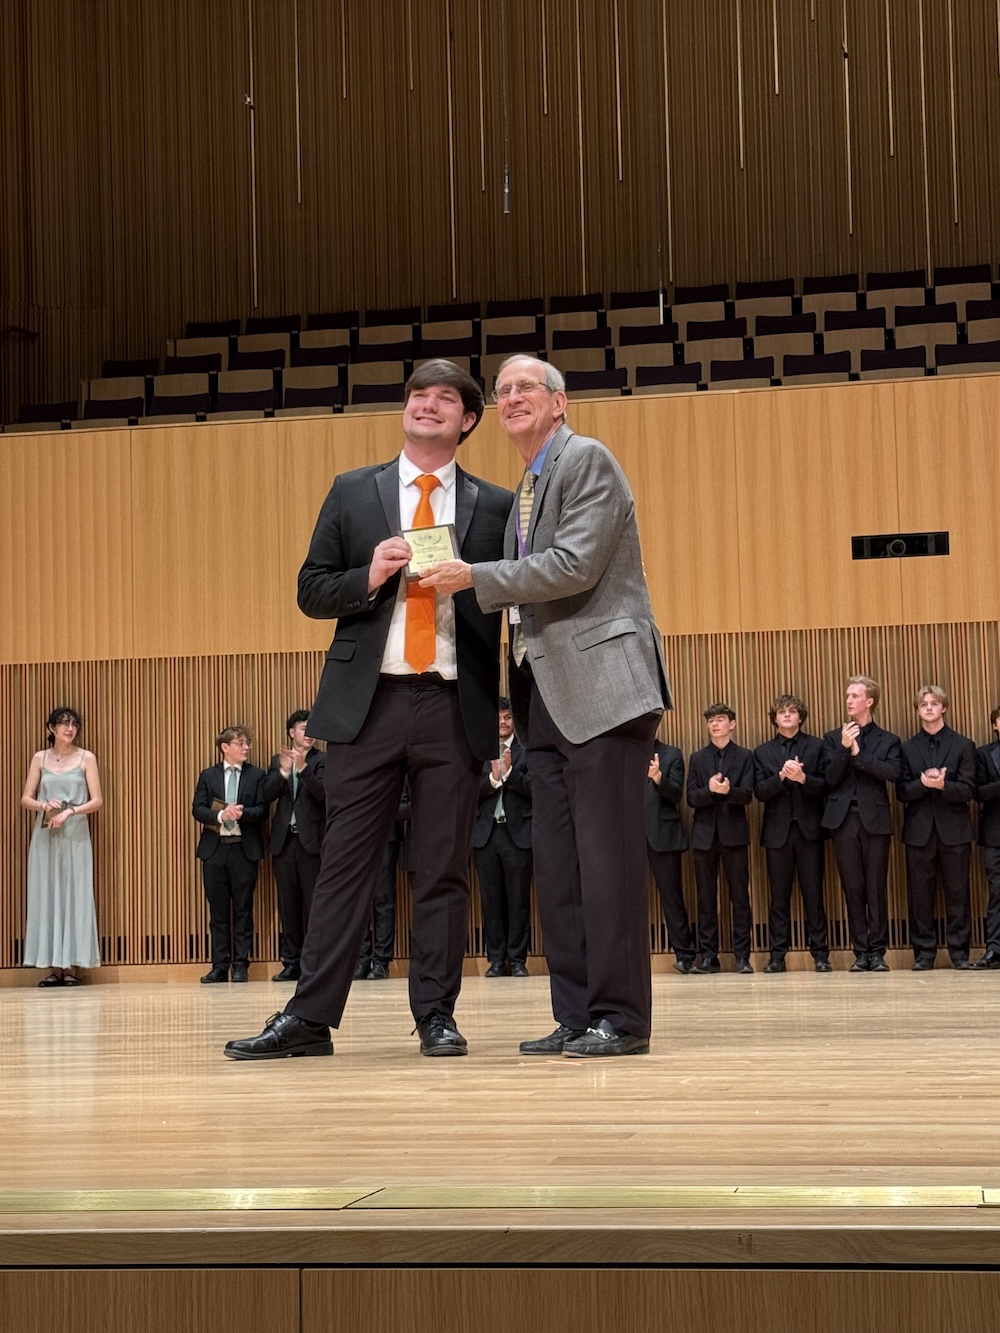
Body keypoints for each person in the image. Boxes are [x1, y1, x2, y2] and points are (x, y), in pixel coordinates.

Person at [225, 359, 511, 1061]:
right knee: (344, 866)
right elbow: (312, 589)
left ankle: (436, 1016)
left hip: (453, 702)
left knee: (442, 867)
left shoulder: (497, 505)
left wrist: (470, 581)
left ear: (468, 420)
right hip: (367, 705)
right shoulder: (354, 492)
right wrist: (370, 576)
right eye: (419, 394)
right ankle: (310, 1017)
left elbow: (515, 594)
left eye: (446, 398)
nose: (429, 405)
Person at [421, 355, 669, 1058]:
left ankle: (620, 1017)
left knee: (607, 860)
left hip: (603, 689)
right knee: (559, 865)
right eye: (501, 392)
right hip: (545, 696)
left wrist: (474, 577)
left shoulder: (588, 460)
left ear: (560, 401)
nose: (510, 398)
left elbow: (574, 565)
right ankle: (575, 1012)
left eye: (525, 387)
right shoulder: (529, 482)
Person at [821, 675, 903, 972]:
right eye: (847, 695)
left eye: (855, 695)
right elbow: (829, 778)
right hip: (843, 821)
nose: (849, 700)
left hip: (875, 819)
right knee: (852, 886)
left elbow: (892, 773)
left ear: (869, 701)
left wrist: (859, 754)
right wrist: (844, 748)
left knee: (876, 885)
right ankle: (860, 952)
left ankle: (878, 951)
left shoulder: (888, 740)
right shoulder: (832, 738)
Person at [20, 707, 103, 986]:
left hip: (75, 833)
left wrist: (70, 811)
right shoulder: (39, 758)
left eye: (74, 725)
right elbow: (25, 799)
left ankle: (72, 968)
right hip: (45, 834)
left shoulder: (86, 757)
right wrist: (45, 805)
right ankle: (54, 966)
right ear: (52, 728)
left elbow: (97, 801)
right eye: (64, 724)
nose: (70, 729)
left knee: (74, 894)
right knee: (48, 893)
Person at [896, 686, 976, 970]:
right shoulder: (906, 747)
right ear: (917, 710)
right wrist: (922, 784)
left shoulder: (963, 745)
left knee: (958, 893)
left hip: (954, 830)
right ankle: (924, 954)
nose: (929, 708)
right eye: (923, 704)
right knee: (920, 895)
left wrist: (943, 785)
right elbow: (901, 791)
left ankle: (959, 954)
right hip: (919, 831)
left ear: (944, 708)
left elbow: (968, 790)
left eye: (934, 703)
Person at [753, 694, 830, 973]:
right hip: (777, 833)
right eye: (781, 712)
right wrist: (782, 778)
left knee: (814, 895)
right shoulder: (762, 752)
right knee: (779, 897)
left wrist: (803, 779)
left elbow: (826, 786)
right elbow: (760, 792)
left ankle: (820, 955)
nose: (786, 715)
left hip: (810, 830)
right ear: (774, 718)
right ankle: (777, 956)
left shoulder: (817, 746)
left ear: (800, 716)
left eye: (792, 711)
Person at [192, 725, 267, 983]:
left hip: (244, 850)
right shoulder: (208, 775)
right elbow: (197, 809)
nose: (246, 748)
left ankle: (241, 965)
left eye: (247, 743)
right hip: (214, 851)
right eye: (241, 743)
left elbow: (263, 810)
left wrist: (242, 813)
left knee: (244, 910)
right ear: (225, 747)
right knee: (218, 912)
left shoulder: (256, 775)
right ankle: (219, 966)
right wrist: (221, 815)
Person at [687, 704, 755, 974]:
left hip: (734, 834)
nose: (715, 725)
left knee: (740, 897)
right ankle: (708, 957)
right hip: (704, 836)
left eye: (721, 720)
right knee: (706, 898)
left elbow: (748, 794)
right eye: (711, 721)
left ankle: (742, 956)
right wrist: (709, 790)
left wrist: (727, 791)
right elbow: (691, 797)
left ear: (732, 724)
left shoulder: (745, 756)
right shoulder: (697, 757)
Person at [261, 710, 326, 982]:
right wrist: (285, 772)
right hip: (285, 842)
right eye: (302, 728)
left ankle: (314, 965)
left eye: (312, 728)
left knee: (314, 905)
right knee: (288, 905)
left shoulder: (322, 760)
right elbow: (265, 795)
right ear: (291, 732)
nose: (308, 733)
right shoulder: (278, 761)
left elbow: (324, 795)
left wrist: (303, 770)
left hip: (312, 843)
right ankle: (291, 963)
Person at [472, 696, 533, 977]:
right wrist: (494, 779)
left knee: (519, 899)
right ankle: (496, 960)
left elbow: (537, 789)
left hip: (517, 834)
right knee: (491, 900)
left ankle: (518, 959)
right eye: (498, 718)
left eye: (507, 717)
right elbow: (470, 791)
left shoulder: (526, 751)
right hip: (486, 835)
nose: (503, 722)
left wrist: (509, 775)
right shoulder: (478, 750)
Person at [645, 740, 695, 974]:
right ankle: (627, 960)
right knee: (625, 902)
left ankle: (684, 955)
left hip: (662, 835)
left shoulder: (671, 754)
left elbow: (676, 795)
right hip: (627, 837)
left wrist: (658, 778)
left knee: (672, 898)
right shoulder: (625, 752)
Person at [354, 783, 413, 981]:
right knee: (359, 903)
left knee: (383, 900)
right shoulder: (355, 769)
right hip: (357, 840)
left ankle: (381, 961)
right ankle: (361, 959)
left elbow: (406, 807)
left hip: (386, 837)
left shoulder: (396, 771)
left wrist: (380, 808)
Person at [974, 706, 1000, 969]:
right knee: (997, 893)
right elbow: (978, 792)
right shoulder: (983, 754)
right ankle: (995, 948)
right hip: (995, 834)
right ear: (995, 725)